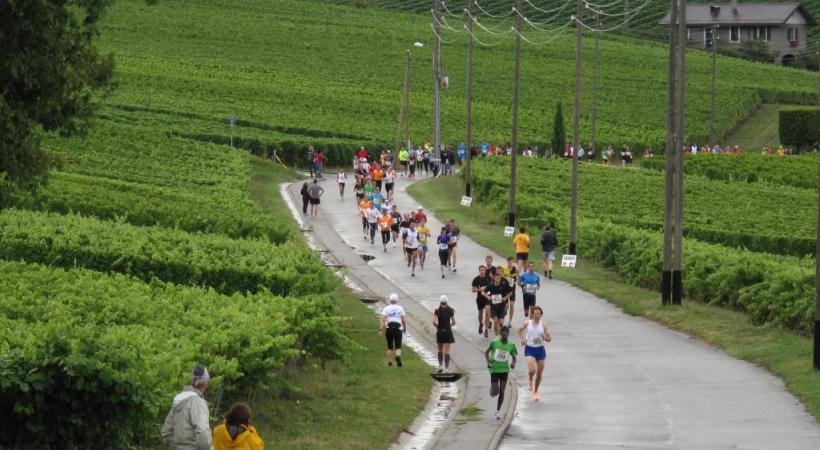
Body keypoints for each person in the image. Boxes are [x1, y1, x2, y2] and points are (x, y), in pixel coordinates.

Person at [161, 366, 213, 450]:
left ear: (190, 381)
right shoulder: (198, 402)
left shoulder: (178, 401)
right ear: (206, 383)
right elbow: (202, 431)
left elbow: (166, 432)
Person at [518, 306, 551, 401]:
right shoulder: (527, 323)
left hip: (540, 349)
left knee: (540, 373)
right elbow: (519, 331)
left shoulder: (543, 325)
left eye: (538, 314)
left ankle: (536, 391)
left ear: (541, 315)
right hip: (530, 349)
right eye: (535, 313)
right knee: (532, 370)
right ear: (532, 314)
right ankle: (530, 379)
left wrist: (544, 337)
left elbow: (549, 339)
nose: (536, 315)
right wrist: (522, 339)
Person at [485, 326, 517, 420]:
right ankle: (492, 390)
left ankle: (498, 411)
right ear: (500, 333)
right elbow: (486, 353)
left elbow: (514, 357)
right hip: (494, 369)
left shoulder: (511, 345)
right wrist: (489, 363)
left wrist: (513, 364)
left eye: (507, 332)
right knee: (496, 391)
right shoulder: (494, 343)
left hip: (504, 370)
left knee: (502, 391)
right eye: (503, 332)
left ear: (508, 333)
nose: (505, 334)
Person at [379, 293, 407, 367]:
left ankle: (389, 362)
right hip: (398, 328)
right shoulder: (400, 308)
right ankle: (397, 355)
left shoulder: (386, 308)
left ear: (390, 300)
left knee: (390, 346)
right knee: (398, 346)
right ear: (397, 300)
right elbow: (403, 320)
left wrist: (381, 329)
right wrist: (404, 328)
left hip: (389, 328)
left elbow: (383, 319)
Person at [433, 295, 456, 373]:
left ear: (440, 301)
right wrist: (449, 326)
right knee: (447, 351)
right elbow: (454, 322)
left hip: (440, 332)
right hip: (448, 332)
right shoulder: (450, 310)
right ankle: (446, 369)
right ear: (447, 301)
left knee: (440, 350)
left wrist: (438, 326)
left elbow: (433, 322)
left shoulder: (437, 311)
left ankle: (440, 367)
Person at [485, 272, 512, 337]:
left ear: (500, 279)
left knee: (501, 322)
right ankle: (497, 336)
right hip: (493, 306)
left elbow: (510, 293)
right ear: (494, 278)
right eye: (496, 278)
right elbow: (483, 292)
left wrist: (505, 297)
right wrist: (487, 297)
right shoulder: (491, 285)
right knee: (496, 321)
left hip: (502, 306)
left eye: (499, 278)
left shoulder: (504, 285)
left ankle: (501, 332)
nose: (497, 280)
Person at [471, 265, 491, 338]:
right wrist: (480, 289)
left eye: (483, 270)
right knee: (481, 314)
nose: (482, 271)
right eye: (481, 270)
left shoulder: (489, 279)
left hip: (487, 298)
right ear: (479, 271)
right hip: (480, 298)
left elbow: (492, 287)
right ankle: (480, 323)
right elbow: (473, 290)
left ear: (485, 271)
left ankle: (486, 329)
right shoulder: (476, 279)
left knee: (487, 312)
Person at [502, 256, 518, 326]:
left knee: (512, 305)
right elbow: (501, 278)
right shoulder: (504, 269)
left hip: (512, 289)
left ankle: (510, 322)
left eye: (511, 261)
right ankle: (504, 313)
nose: (510, 263)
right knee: (506, 306)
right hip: (505, 290)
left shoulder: (515, 269)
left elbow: (518, 277)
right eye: (509, 261)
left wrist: (517, 282)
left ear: (513, 262)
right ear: (507, 261)